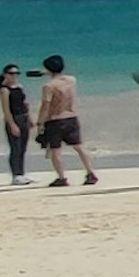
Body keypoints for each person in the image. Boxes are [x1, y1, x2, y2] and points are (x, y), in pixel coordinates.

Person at [34, 54, 95, 186]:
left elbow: (46, 105)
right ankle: (91, 172)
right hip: (71, 117)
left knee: (56, 150)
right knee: (79, 146)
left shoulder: (48, 86)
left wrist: (40, 122)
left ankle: (62, 177)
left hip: (55, 119)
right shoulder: (72, 80)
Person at [0, 64, 30, 183]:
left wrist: (30, 119)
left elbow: (25, 104)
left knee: (23, 148)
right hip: (14, 118)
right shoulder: (4, 90)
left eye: (17, 73)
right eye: (12, 73)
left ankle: (21, 173)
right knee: (15, 148)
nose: (14, 76)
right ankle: (16, 175)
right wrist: (12, 124)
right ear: (5, 75)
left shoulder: (19, 87)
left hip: (23, 118)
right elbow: (6, 110)